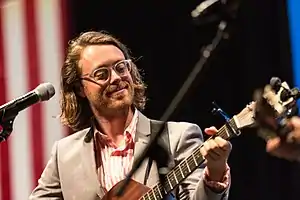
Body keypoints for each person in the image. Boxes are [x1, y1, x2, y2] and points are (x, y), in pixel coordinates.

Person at [29, 31, 232, 200]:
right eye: (101, 74)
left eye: (121, 67)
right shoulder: (64, 153)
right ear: (80, 88)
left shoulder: (178, 136)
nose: (117, 78)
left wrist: (215, 171)